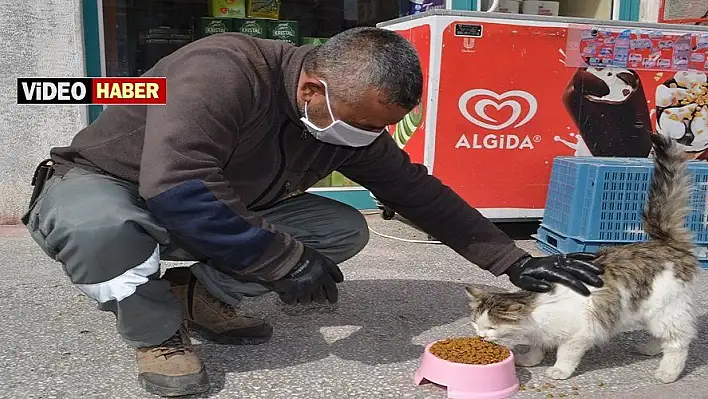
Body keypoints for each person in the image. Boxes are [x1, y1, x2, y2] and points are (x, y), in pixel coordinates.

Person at [22, 27, 603, 397]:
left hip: (204, 202)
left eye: (380, 128)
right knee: (100, 226)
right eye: (363, 125)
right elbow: (180, 184)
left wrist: (511, 262)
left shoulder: (343, 116)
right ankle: (158, 332)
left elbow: (414, 190)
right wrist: (279, 260)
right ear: (311, 90)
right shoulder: (220, 70)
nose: (368, 138)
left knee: (337, 227)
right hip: (110, 184)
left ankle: (200, 295)